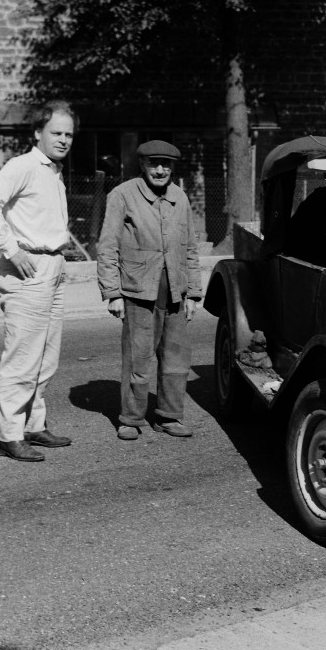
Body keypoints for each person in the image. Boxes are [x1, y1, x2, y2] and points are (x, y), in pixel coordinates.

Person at [0, 100, 77, 462]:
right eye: (56, 133)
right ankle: (10, 435)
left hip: (52, 268)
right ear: (38, 133)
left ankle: (34, 425)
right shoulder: (24, 166)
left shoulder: (52, 171)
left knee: (46, 357)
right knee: (23, 357)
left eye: (68, 134)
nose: (63, 140)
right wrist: (12, 250)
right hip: (26, 272)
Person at [97, 140, 202, 440]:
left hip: (175, 294)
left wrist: (193, 293)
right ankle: (131, 418)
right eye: (153, 164)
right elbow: (107, 246)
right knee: (138, 359)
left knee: (176, 361)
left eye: (165, 165)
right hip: (137, 292)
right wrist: (112, 292)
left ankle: (169, 416)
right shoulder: (123, 195)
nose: (160, 170)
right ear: (141, 165)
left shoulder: (179, 197)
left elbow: (191, 248)